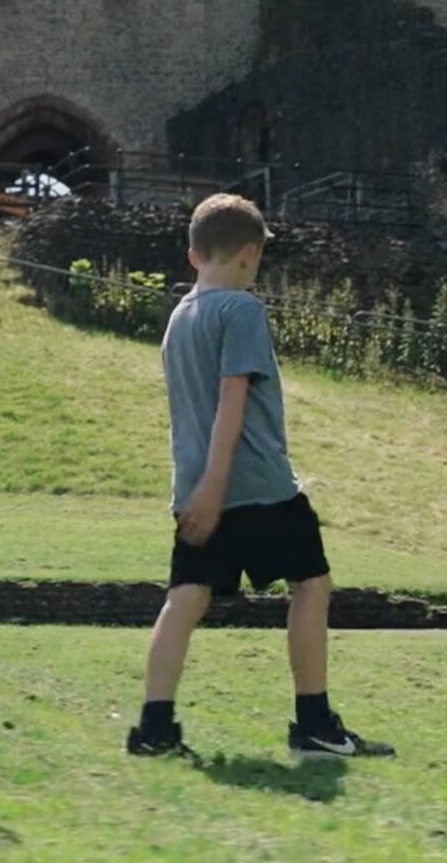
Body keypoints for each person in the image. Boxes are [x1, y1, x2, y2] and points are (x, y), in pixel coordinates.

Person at [126, 193, 392, 763]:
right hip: (256, 486)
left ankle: (153, 729)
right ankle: (315, 723)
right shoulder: (242, 311)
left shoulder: (179, 318)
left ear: (193, 255)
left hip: (196, 490)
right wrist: (219, 485)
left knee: (185, 600)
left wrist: (201, 489)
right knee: (311, 585)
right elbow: (232, 401)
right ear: (250, 255)